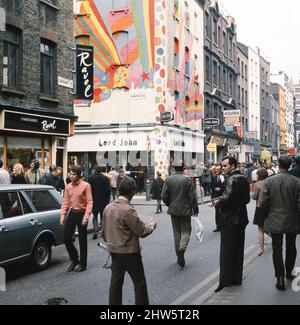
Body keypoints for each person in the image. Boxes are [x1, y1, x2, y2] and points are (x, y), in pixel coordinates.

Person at [102, 177, 157, 305]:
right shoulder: (128, 210)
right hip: (130, 252)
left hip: (114, 251)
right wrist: (151, 225)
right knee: (139, 282)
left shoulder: (108, 208)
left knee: (116, 283)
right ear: (132, 192)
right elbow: (141, 231)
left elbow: (104, 234)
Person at [259, 156, 300, 291]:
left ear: (279, 165)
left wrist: (264, 217)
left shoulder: (269, 181)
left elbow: (263, 202)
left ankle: (280, 278)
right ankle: (289, 273)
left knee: (277, 248)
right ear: (290, 165)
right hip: (292, 218)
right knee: (291, 246)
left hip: (274, 218)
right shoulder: (296, 182)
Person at [212, 157, 250, 293]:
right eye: (222, 166)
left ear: (232, 166)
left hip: (230, 220)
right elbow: (247, 199)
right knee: (238, 249)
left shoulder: (231, 179)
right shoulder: (243, 178)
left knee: (226, 251)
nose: (223, 168)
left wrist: (217, 202)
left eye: (225, 166)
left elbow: (226, 198)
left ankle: (225, 281)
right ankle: (236, 278)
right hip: (241, 219)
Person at [161, 164, 199, 268]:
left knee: (176, 232)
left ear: (174, 169)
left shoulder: (168, 179)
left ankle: (178, 253)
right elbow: (192, 196)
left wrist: (170, 204)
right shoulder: (187, 180)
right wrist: (195, 207)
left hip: (174, 209)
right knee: (186, 230)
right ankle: (182, 249)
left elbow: (163, 195)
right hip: (186, 209)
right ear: (183, 169)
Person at [60, 166, 93, 273]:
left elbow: (90, 202)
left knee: (82, 240)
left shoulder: (86, 185)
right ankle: (75, 259)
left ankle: (83, 264)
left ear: (79, 175)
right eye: (70, 174)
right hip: (72, 213)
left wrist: (86, 217)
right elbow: (65, 202)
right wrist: (62, 215)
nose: (71, 176)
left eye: (74, 174)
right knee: (66, 238)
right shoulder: (68, 186)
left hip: (82, 214)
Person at [88, 166, 111, 240]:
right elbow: (108, 191)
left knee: (94, 216)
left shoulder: (90, 178)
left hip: (94, 199)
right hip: (103, 200)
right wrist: (108, 201)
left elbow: (89, 189)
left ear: (95, 170)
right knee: (102, 216)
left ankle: (95, 231)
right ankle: (104, 232)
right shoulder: (105, 179)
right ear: (101, 171)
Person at [252, 168, 269, 256]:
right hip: (270, 207)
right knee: (270, 226)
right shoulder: (270, 182)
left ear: (259, 175)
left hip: (260, 207)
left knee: (260, 228)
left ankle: (262, 249)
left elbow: (254, 197)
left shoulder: (257, 184)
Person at [211, 166, 226, 232]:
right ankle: (218, 226)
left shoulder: (225, 177)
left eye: (218, 169)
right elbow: (212, 187)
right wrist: (212, 199)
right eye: (216, 169)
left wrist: (221, 189)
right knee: (217, 212)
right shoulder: (214, 177)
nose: (217, 171)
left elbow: (227, 187)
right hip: (216, 196)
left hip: (223, 196)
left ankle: (224, 225)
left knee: (223, 211)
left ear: (221, 170)